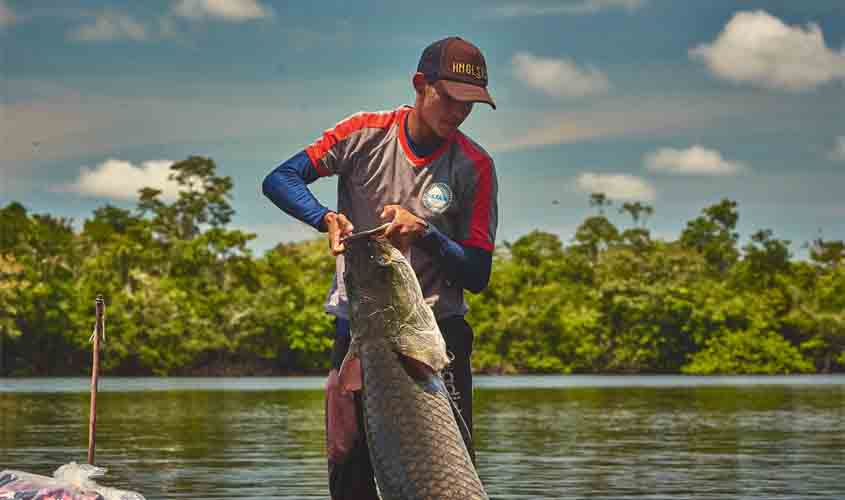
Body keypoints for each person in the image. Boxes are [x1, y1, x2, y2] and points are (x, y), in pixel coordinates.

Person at [262, 36, 498, 500]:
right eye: (450, 99)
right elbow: (280, 178)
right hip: (359, 332)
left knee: (442, 473)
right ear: (419, 84)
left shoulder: (476, 166)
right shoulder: (364, 133)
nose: (457, 113)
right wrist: (324, 218)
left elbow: (478, 273)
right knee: (348, 469)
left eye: (469, 105)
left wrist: (425, 233)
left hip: (434, 342)